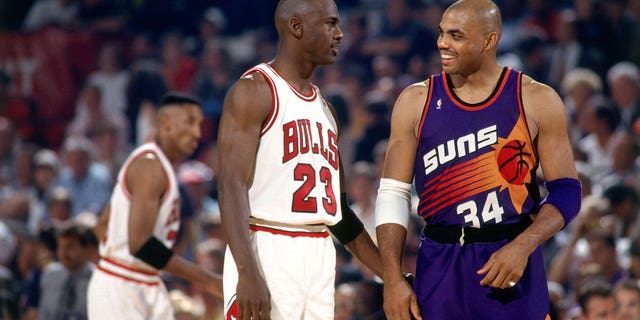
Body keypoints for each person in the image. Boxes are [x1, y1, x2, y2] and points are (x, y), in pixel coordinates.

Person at [374, 1, 581, 319]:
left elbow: (567, 190)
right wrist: (391, 278)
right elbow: (393, 192)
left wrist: (524, 245)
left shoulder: (536, 99)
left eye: (455, 35)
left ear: (489, 40)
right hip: (439, 260)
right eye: (442, 33)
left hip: (510, 258)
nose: (443, 42)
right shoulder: (415, 101)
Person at [217, 0, 383, 319]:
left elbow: (341, 215)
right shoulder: (255, 90)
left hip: (319, 251)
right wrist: (246, 270)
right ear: (297, 27)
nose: (340, 34)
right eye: (330, 24)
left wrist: (390, 277)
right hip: (266, 246)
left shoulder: (326, 109)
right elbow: (230, 184)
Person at [86, 92, 222, 320]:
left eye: (199, 124)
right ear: (165, 124)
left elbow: (103, 225)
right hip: (123, 287)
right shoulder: (151, 166)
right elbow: (141, 246)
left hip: (140, 281)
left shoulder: (158, 166)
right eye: (189, 122)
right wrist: (207, 279)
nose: (197, 133)